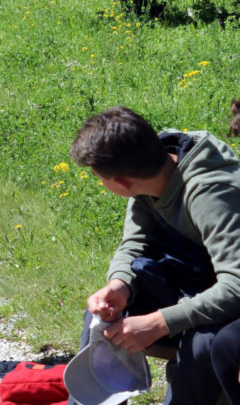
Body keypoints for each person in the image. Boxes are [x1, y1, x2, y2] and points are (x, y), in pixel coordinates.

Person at [71, 107, 240, 405]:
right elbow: (135, 243)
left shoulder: (211, 196)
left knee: (203, 342)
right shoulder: (151, 168)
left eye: (99, 177)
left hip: (227, 298)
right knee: (103, 314)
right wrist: (120, 284)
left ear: (121, 182)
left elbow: (236, 286)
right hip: (196, 277)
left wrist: (160, 322)